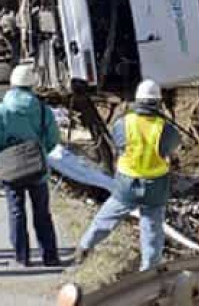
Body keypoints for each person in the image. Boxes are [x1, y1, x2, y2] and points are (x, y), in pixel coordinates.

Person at [75, 79, 180, 271]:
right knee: (152, 230)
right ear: (158, 102)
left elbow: (120, 144)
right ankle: (149, 270)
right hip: (155, 186)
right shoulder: (165, 128)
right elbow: (170, 147)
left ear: (137, 101)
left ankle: (84, 246)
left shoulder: (124, 123)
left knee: (106, 217)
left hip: (127, 183)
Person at [0, 64, 61, 267]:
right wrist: (42, 151)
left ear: (12, 84)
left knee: (16, 212)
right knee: (42, 213)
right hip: (38, 168)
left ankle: (22, 256)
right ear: (32, 85)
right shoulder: (43, 110)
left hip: (11, 169)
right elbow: (54, 138)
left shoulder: (1, 110)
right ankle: (50, 256)